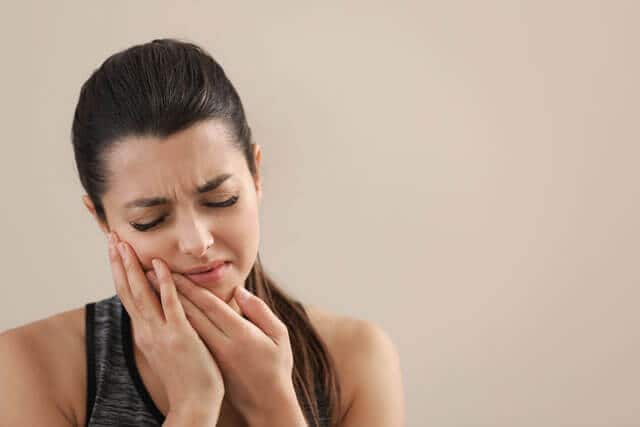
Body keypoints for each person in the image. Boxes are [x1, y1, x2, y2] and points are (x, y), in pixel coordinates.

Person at [0, 38, 405, 427]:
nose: (197, 242)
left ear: (256, 174)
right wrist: (193, 406)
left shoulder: (354, 360)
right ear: (102, 219)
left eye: (221, 199)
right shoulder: (33, 366)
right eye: (151, 219)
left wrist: (273, 405)